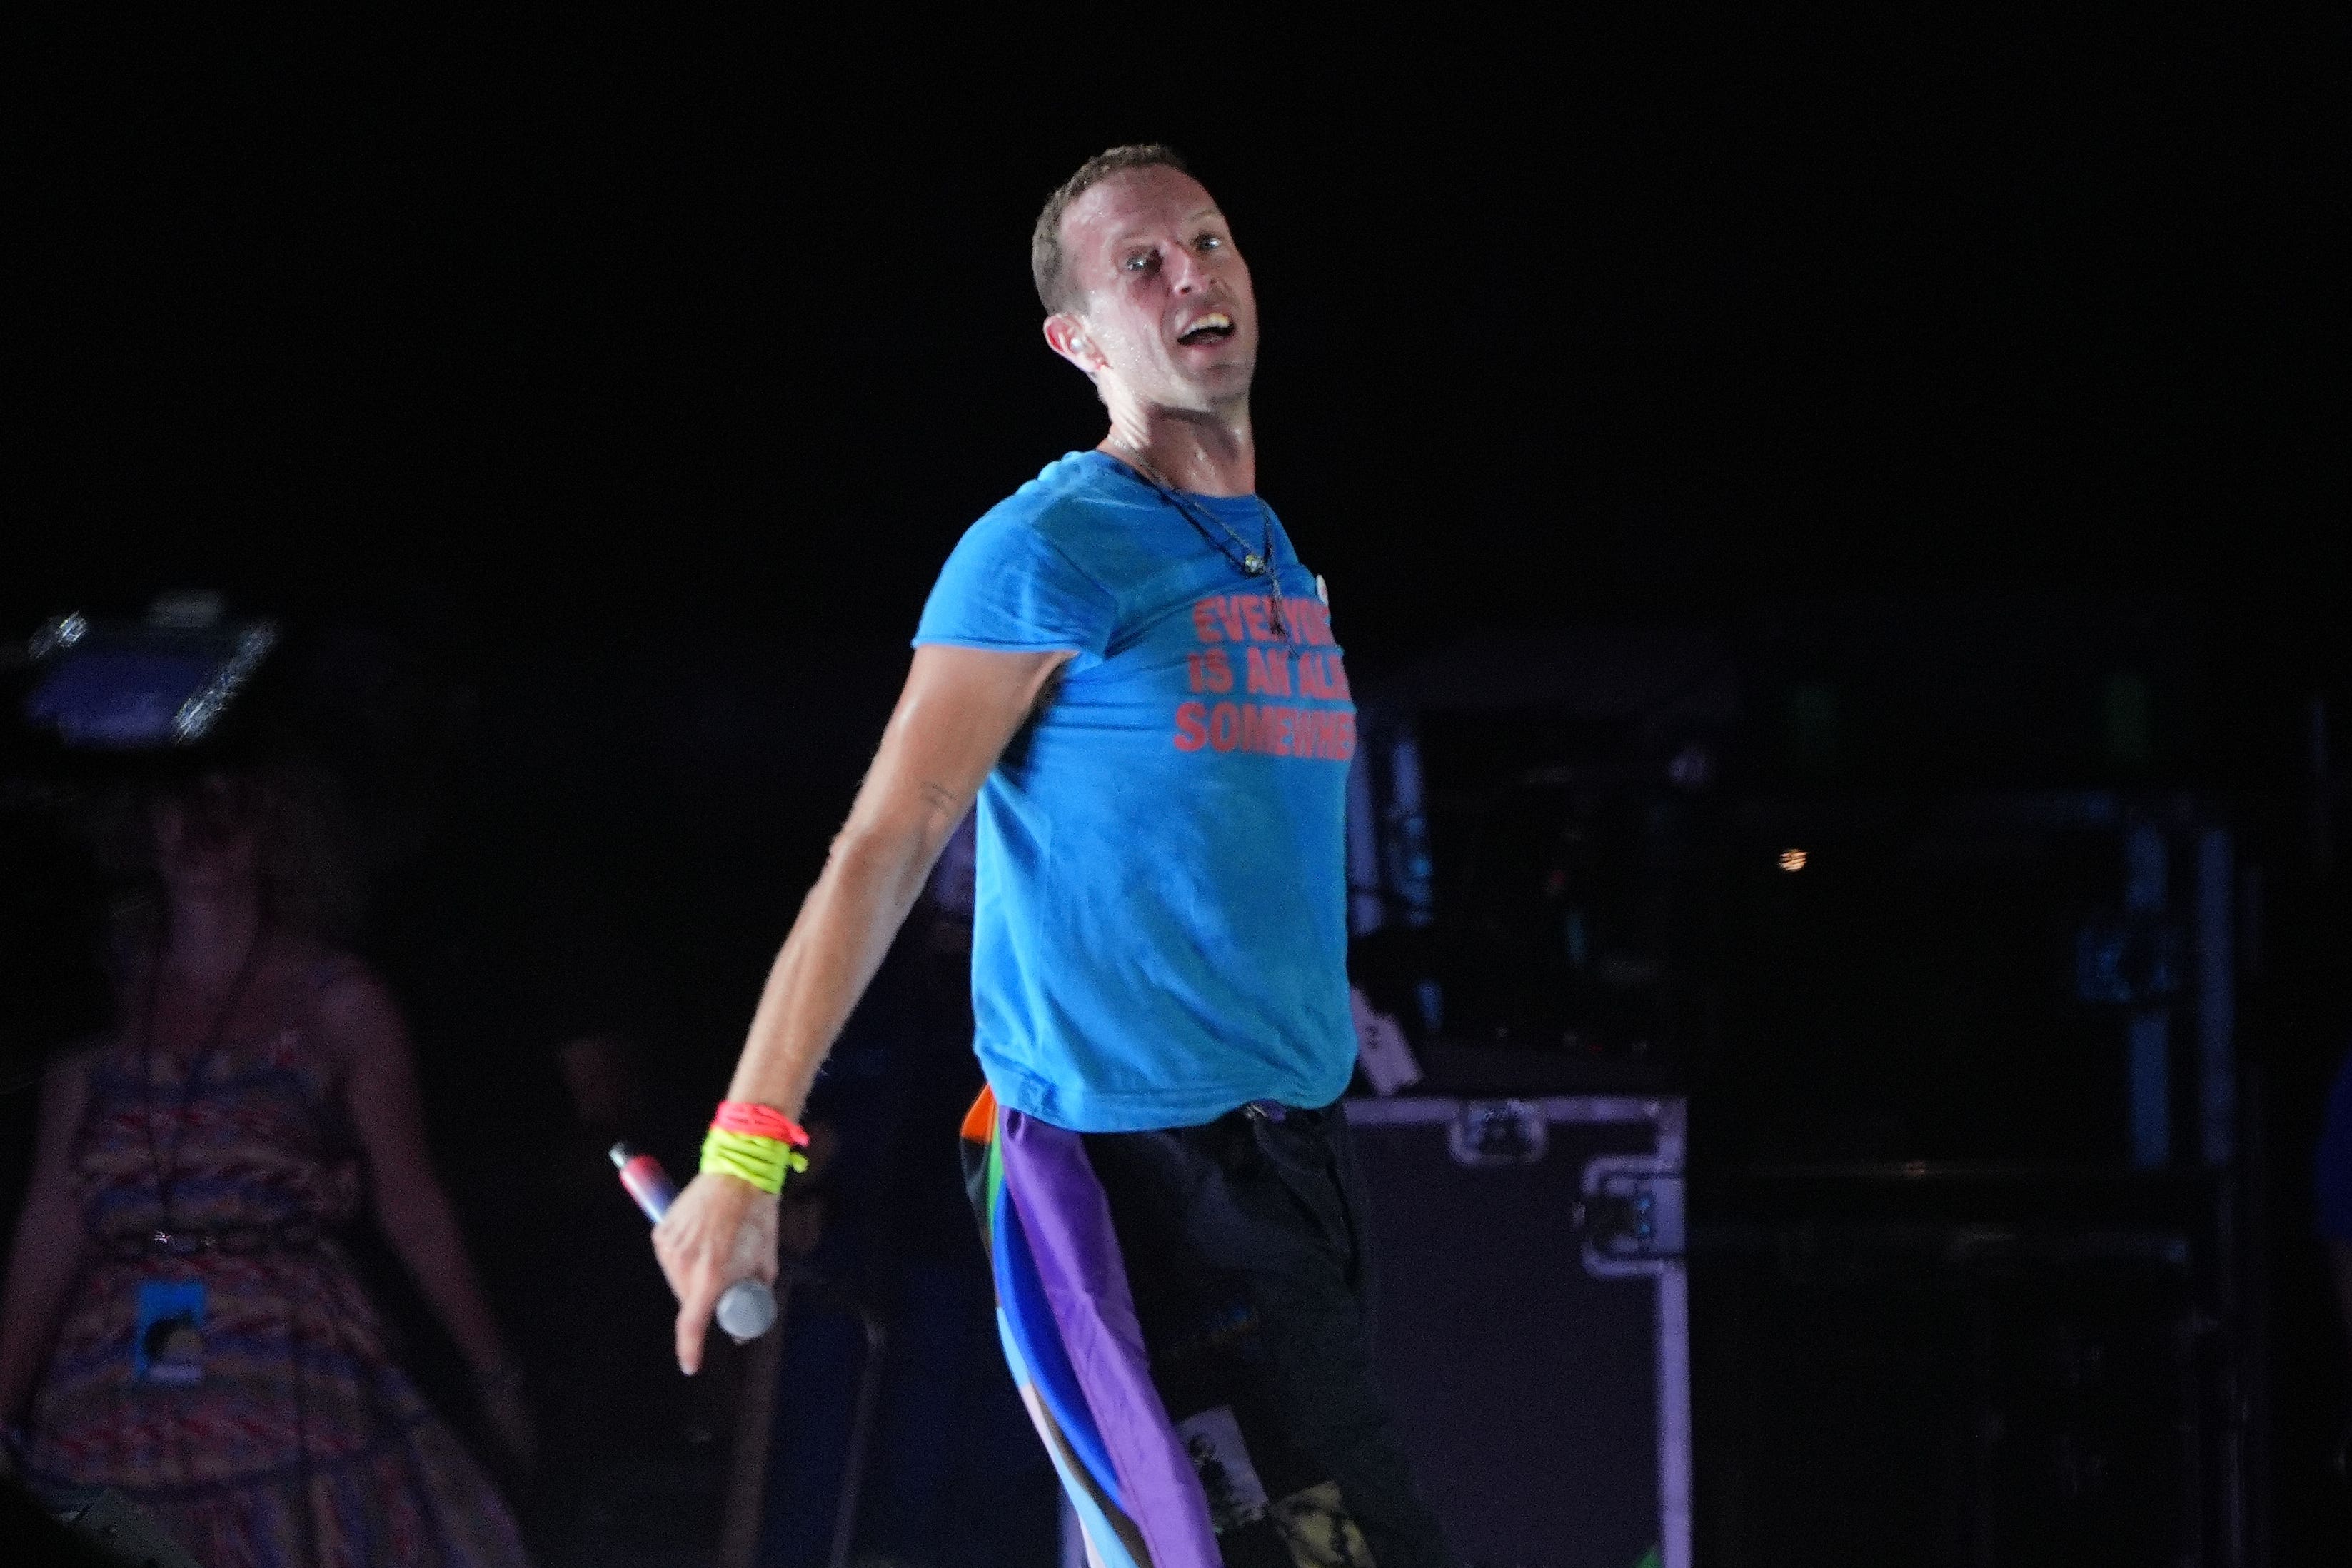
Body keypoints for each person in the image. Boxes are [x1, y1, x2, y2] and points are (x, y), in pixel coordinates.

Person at [653, 145, 1452, 1567]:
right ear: (1076, 340)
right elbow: (883, 846)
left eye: (1208, 239)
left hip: (1295, 1167)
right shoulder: (1045, 548)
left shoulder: (1264, 554)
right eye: (1140, 264)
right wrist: (745, 1153)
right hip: (1146, 1186)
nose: (1192, 271)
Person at [0, 768, 534, 1567]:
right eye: (180, 799)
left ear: (275, 816)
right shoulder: (101, 1000)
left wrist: (497, 1376)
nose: (202, 827)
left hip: (283, 1372)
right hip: (115, 1386)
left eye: (229, 800)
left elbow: (413, 1205)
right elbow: (52, 1216)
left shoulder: (339, 1001)